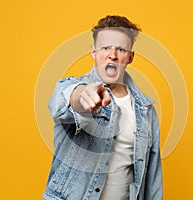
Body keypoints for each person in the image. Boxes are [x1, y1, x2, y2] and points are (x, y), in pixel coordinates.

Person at [43, 15, 162, 200]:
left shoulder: (146, 110)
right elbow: (61, 103)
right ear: (93, 52)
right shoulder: (74, 88)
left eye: (120, 49)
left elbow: (153, 178)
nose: (112, 55)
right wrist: (81, 96)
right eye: (105, 47)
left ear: (130, 57)